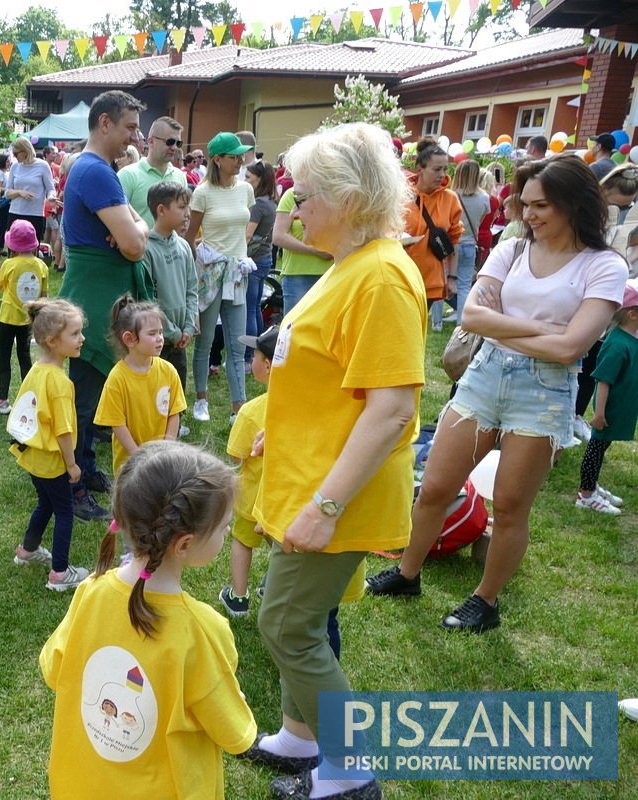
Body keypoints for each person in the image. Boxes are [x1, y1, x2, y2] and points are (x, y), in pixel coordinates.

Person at [366, 155, 627, 634]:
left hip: (545, 390)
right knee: (435, 488)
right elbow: (471, 317)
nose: (529, 215)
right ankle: (407, 574)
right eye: (524, 204)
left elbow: (573, 347)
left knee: (509, 508)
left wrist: (515, 329)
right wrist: (541, 329)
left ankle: (485, 601)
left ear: (574, 204)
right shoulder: (511, 248)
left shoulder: (604, 265)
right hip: (485, 375)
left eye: (541, 205)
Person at [244, 123, 425, 800]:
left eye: (306, 191)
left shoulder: (379, 277)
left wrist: (325, 507)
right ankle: (300, 734)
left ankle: (349, 773)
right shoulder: (351, 265)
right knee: (300, 618)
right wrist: (279, 433)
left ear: (349, 198)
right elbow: (326, 378)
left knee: (287, 624)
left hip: (335, 492)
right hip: (309, 475)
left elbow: (391, 410)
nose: (291, 202)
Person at [39, 440, 257, 799]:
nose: (227, 533)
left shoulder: (90, 592)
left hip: (81, 786)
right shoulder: (203, 630)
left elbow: (53, 669)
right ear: (184, 544)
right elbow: (236, 734)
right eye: (224, 527)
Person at [57, 90, 149, 522]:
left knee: (90, 392)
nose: (136, 136)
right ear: (105, 123)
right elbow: (133, 245)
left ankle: (87, 469)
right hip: (95, 290)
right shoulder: (95, 171)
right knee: (81, 396)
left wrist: (137, 232)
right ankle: (71, 486)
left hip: (101, 287)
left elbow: (139, 230)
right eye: (130, 126)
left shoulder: (102, 169)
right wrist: (135, 234)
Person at [6, 299, 92, 590]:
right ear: (52, 341)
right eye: (75, 334)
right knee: (65, 510)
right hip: (54, 461)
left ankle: (28, 550)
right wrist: (72, 464)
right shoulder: (61, 383)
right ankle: (59, 573)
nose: (82, 339)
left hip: (33, 457)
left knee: (45, 502)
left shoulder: (36, 370)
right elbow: (64, 431)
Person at [186, 131, 255, 424]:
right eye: (234, 156)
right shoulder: (202, 193)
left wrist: (239, 259)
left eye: (241, 155)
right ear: (217, 159)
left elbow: (243, 231)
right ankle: (201, 399)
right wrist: (198, 268)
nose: (240, 160)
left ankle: (238, 406)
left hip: (237, 272)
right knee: (206, 339)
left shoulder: (245, 190)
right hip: (211, 273)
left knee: (237, 342)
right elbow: (189, 236)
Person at [94, 294, 185, 481]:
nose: (160, 338)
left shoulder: (168, 371)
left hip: (162, 461)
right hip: (130, 466)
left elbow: (174, 412)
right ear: (129, 339)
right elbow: (117, 424)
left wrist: (167, 446)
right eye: (152, 334)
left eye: (160, 332)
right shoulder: (117, 379)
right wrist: (139, 456)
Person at [218, 325, 276, 618]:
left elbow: (235, 454)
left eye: (253, 355)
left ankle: (238, 597)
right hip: (280, 498)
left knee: (242, 541)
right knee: (278, 545)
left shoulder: (252, 411)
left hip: (252, 498)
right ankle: (277, 588)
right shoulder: (300, 410)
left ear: (266, 365)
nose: (250, 361)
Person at [575, 282, 638, 514]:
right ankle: (585, 493)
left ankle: (592, 484)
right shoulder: (617, 343)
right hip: (608, 410)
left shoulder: (629, 339)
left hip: (618, 408)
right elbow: (603, 380)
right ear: (632, 314)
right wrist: (599, 413)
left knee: (602, 448)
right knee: (596, 448)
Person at [0, 221, 47, 415]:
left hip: (8, 319)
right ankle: (30, 398)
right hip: (29, 320)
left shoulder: (9, 264)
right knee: (25, 358)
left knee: (4, 357)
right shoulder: (42, 266)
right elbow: (44, 295)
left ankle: (2, 400)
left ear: (12, 245)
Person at [141, 181, 198, 395]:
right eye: (182, 207)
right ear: (161, 210)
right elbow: (148, 298)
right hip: (157, 336)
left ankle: (176, 425)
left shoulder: (183, 246)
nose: (187, 213)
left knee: (176, 386)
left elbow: (192, 288)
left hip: (181, 336)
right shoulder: (146, 249)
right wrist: (171, 331)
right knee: (154, 389)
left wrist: (189, 327)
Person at [401, 136, 463, 331]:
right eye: (437, 169)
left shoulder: (450, 199)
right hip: (399, 275)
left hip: (429, 279)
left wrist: (452, 278)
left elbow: (454, 241)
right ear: (420, 169)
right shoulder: (400, 194)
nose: (442, 175)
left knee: (416, 330)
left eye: (445, 169)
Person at [119, 116, 188, 228]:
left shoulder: (180, 176)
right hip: (139, 245)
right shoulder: (128, 175)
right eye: (170, 142)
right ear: (151, 141)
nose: (175, 148)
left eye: (178, 143)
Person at [273, 184, 333, 314]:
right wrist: (314, 250)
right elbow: (278, 236)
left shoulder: (334, 194)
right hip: (298, 275)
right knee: (295, 328)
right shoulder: (292, 194)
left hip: (333, 273)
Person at [244, 159, 277, 361]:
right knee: (255, 306)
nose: (245, 180)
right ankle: (257, 349)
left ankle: (249, 354)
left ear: (259, 179)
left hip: (254, 258)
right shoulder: (272, 201)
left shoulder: (258, 205)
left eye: (248, 177)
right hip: (265, 257)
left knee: (249, 308)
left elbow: (248, 234)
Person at [450, 160, 491, 324]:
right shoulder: (484, 198)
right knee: (465, 285)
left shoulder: (451, 195)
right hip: (469, 243)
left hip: (451, 243)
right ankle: (461, 321)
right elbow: (480, 221)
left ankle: (436, 322)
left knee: (441, 282)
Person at [4, 137, 55, 242]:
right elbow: (7, 193)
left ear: (25, 151)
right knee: (14, 247)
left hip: (34, 214)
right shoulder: (15, 167)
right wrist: (19, 192)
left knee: (32, 248)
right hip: (15, 212)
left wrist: (50, 197)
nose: (14, 156)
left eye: (16, 153)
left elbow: (51, 189)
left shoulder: (42, 166)